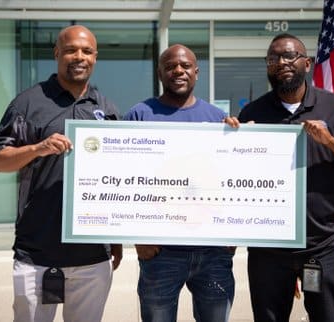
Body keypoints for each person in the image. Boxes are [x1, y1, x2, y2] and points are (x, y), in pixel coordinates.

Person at [0, 25, 122, 322]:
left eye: (87, 51)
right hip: (37, 253)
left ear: (95, 57)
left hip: (92, 256)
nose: (79, 57)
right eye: (71, 50)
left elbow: (117, 178)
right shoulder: (28, 102)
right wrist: (36, 149)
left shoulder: (107, 109)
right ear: (57, 54)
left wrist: (117, 238)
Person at [238, 33, 334, 322]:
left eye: (289, 56)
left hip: (320, 246)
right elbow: (235, 177)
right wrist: (237, 143)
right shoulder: (253, 113)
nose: (281, 63)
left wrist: (331, 142)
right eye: (273, 58)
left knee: (328, 317)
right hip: (269, 247)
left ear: (307, 63)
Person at [123, 44, 239, 322]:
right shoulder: (140, 115)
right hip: (160, 252)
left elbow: (231, 183)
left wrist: (234, 231)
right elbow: (126, 182)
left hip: (213, 252)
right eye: (171, 66)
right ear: (160, 72)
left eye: (185, 66)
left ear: (196, 73)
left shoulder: (218, 120)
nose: (178, 70)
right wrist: (139, 238)